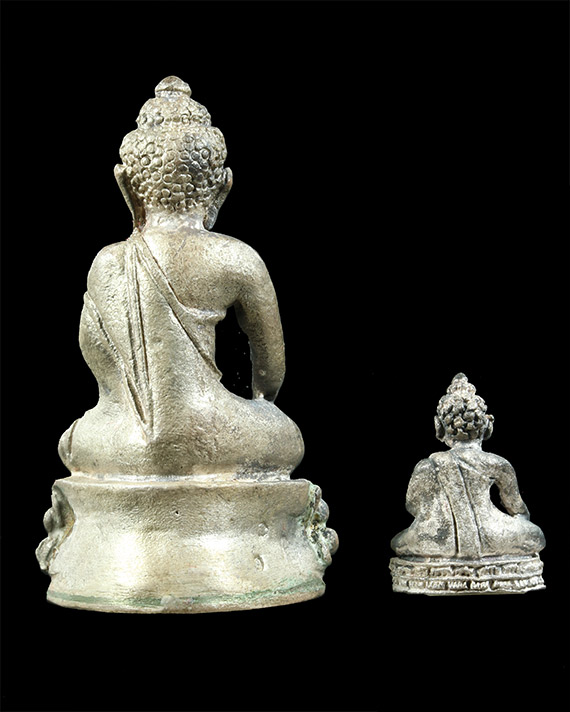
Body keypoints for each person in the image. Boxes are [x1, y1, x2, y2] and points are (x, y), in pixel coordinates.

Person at [58, 77, 304, 478]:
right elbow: (270, 372)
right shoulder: (236, 258)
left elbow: (102, 369)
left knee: (70, 442)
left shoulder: (106, 263)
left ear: (126, 185)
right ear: (222, 187)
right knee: (287, 435)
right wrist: (260, 407)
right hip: (213, 432)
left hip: (119, 443)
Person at [391, 373, 545, 559]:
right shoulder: (498, 463)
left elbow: (413, 506)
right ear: (488, 425)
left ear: (438, 426)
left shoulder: (426, 466)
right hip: (493, 534)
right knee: (535, 535)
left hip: (438, 538)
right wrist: (519, 525)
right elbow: (519, 510)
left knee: (398, 542)